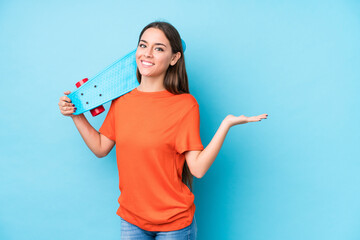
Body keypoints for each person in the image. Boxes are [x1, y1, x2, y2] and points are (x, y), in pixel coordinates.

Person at [58, 21, 268, 240]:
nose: (147, 54)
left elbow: (197, 169)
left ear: (174, 58)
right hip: (131, 220)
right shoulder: (121, 101)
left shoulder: (185, 105)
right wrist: (76, 114)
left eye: (158, 48)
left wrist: (226, 124)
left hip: (174, 225)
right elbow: (101, 148)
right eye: (143, 45)